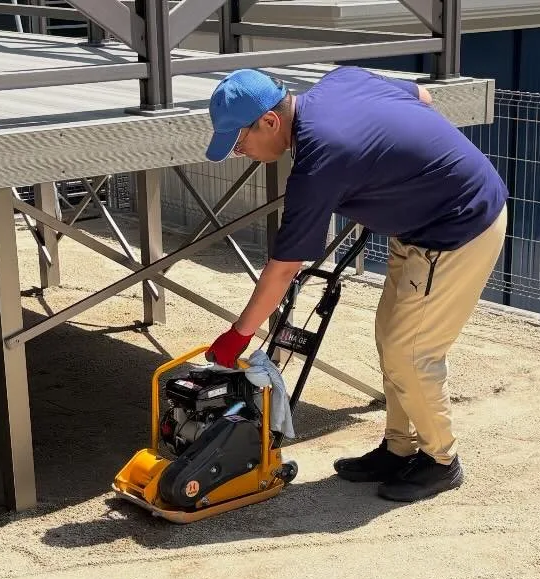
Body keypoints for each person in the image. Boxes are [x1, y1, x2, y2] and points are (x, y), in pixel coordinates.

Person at [201, 66, 508, 503]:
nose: (239, 151)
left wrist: (238, 335)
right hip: (419, 226)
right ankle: (400, 448)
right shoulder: (341, 82)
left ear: (270, 121)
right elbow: (420, 96)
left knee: (412, 351)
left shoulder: (318, 161)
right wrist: (391, 170)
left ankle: (441, 460)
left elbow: (284, 267)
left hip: (460, 226)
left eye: (238, 141)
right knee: (391, 339)